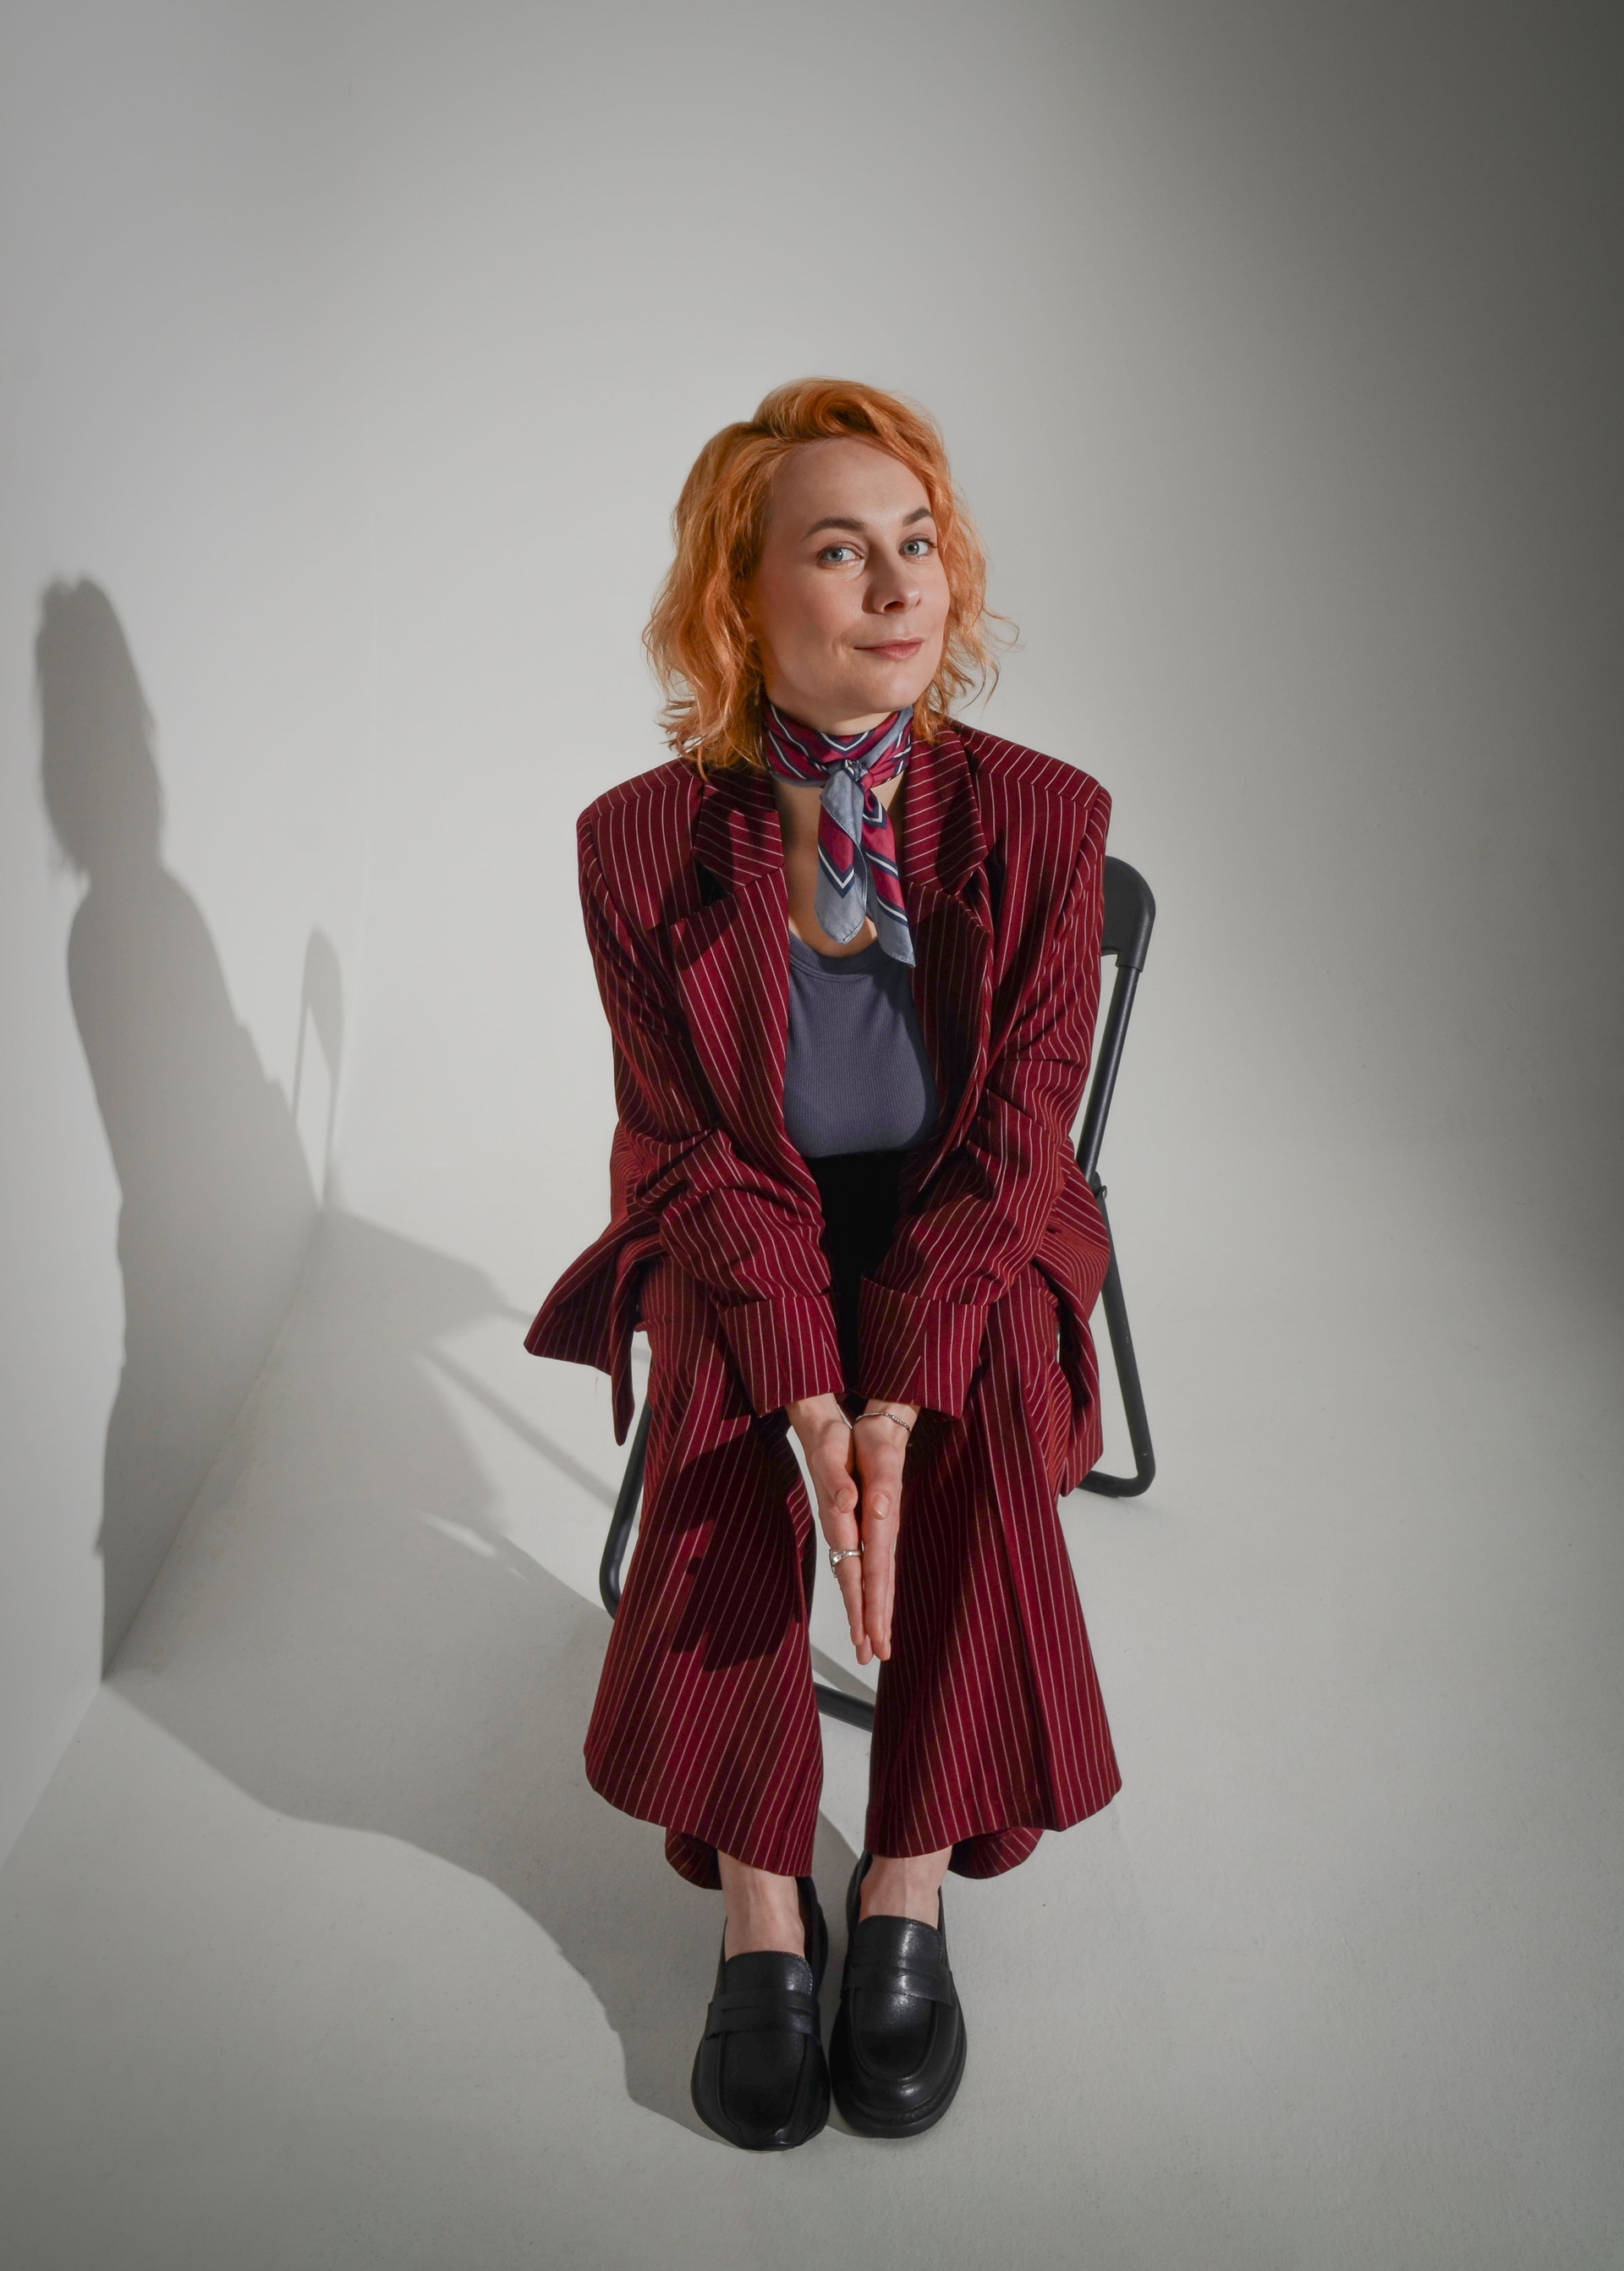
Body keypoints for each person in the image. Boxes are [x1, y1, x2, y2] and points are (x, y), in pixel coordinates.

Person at [526, 378, 1120, 2149]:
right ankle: (760, 1886)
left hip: (963, 1204)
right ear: (741, 597)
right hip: (749, 1205)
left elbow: (1021, 1136)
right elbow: (685, 1145)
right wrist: (807, 1386)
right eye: (842, 550)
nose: (899, 583)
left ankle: (908, 1866)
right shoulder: (638, 843)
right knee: (724, 1372)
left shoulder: (1043, 816)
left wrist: (897, 1394)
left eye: (917, 543)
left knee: (984, 1366)